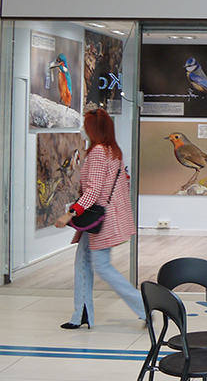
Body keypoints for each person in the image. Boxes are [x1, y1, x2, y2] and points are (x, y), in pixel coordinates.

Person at [54, 109, 144, 329]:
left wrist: (70, 213)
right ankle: (82, 314)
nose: (83, 130)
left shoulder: (97, 153)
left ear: (94, 130)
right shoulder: (114, 151)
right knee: (83, 262)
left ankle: (143, 305)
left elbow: (93, 191)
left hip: (98, 219)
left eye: (86, 126)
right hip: (104, 217)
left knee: (102, 266)